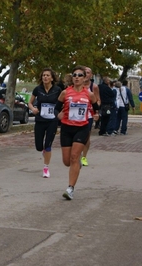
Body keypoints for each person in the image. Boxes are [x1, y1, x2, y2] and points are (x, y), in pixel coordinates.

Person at [55, 65, 99, 200]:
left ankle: (70, 189)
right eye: (74, 75)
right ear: (72, 78)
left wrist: (96, 115)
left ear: (84, 78)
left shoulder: (89, 94)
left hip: (82, 127)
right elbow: (56, 109)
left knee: (74, 156)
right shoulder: (65, 93)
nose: (77, 77)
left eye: (80, 75)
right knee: (67, 161)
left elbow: (96, 108)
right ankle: (76, 165)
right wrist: (59, 115)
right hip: (67, 128)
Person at [28, 68, 61, 178]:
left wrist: (60, 113)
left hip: (52, 120)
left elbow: (63, 103)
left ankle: (46, 168)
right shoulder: (38, 89)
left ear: (52, 78)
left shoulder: (58, 90)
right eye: (43, 75)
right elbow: (30, 102)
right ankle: (43, 151)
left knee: (48, 145)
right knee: (39, 146)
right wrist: (33, 109)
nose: (45, 77)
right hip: (40, 120)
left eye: (47, 75)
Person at [80, 67, 100, 167]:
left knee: (86, 137)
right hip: (76, 115)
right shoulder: (75, 85)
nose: (86, 74)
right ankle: (76, 153)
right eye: (85, 73)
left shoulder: (94, 87)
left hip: (88, 115)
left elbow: (98, 100)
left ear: (91, 75)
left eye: (88, 73)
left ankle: (84, 157)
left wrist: (96, 111)